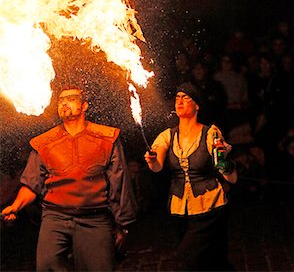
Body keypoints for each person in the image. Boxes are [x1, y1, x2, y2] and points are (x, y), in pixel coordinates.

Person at [2, 87, 137, 271]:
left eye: (71, 99)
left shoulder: (106, 139)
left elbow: (119, 185)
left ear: (84, 106)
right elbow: (31, 184)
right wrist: (15, 206)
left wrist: (123, 226)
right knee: (46, 266)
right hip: (55, 217)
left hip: (95, 219)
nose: (64, 103)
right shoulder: (44, 143)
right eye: (60, 100)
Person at [145, 82, 237, 271]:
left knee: (187, 258)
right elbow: (157, 167)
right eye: (177, 97)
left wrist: (223, 162)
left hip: (210, 207)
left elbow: (229, 174)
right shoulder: (167, 136)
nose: (180, 101)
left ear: (197, 105)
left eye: (186, 97)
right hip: (180, 209)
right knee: (211, 261)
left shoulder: (210, 133)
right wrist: (152, 160)